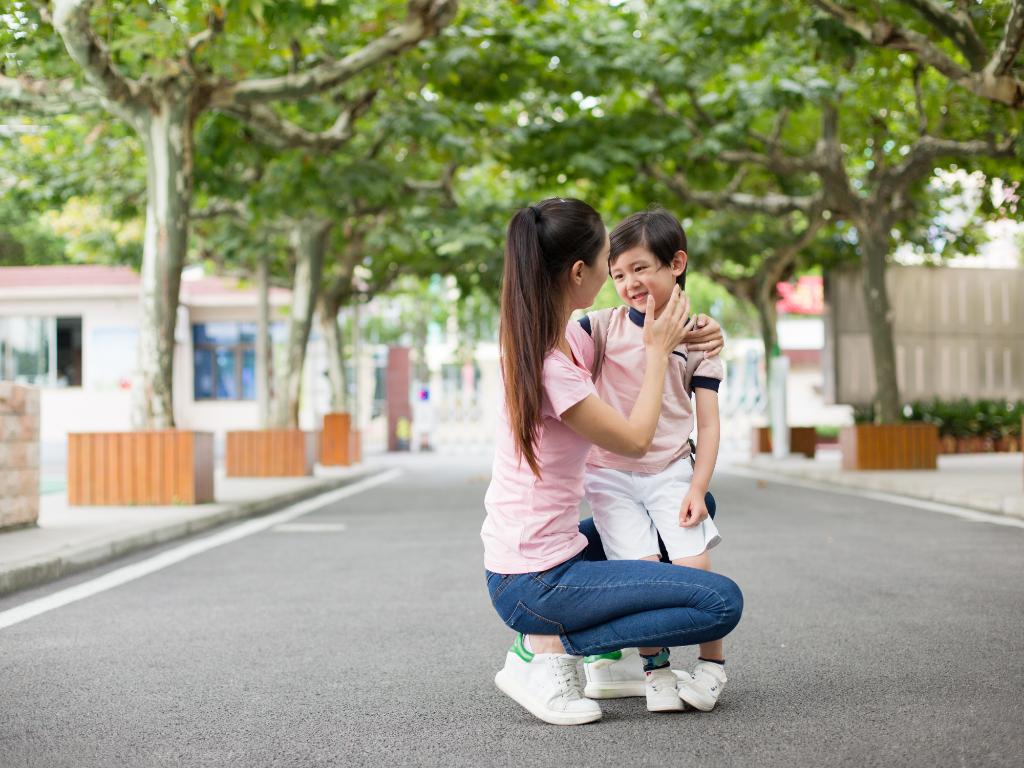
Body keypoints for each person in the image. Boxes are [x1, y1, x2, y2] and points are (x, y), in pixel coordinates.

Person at [482, 198, 743, 725]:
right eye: (608, 261)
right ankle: (542, 651)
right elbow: (634, 441)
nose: (615, 273)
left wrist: (699, 332)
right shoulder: (559, 362)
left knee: (696, 504)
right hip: (535, 581)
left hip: (552, 555)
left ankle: (604, 662)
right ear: (580, 272)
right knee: (719, 603)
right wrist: (658, 350)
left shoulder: (553, 340)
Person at [578, 208, 728, 713]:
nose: (628, 283)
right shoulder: (598, 329)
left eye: (640, 268)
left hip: (670, 471)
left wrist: (696, 485)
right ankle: (656, 671)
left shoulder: (700, 339)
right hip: (610, 476)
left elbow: (707, 424)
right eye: (617, 274)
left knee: (695, 565)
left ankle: (712, 667)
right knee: (639, 577)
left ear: (676, 263)